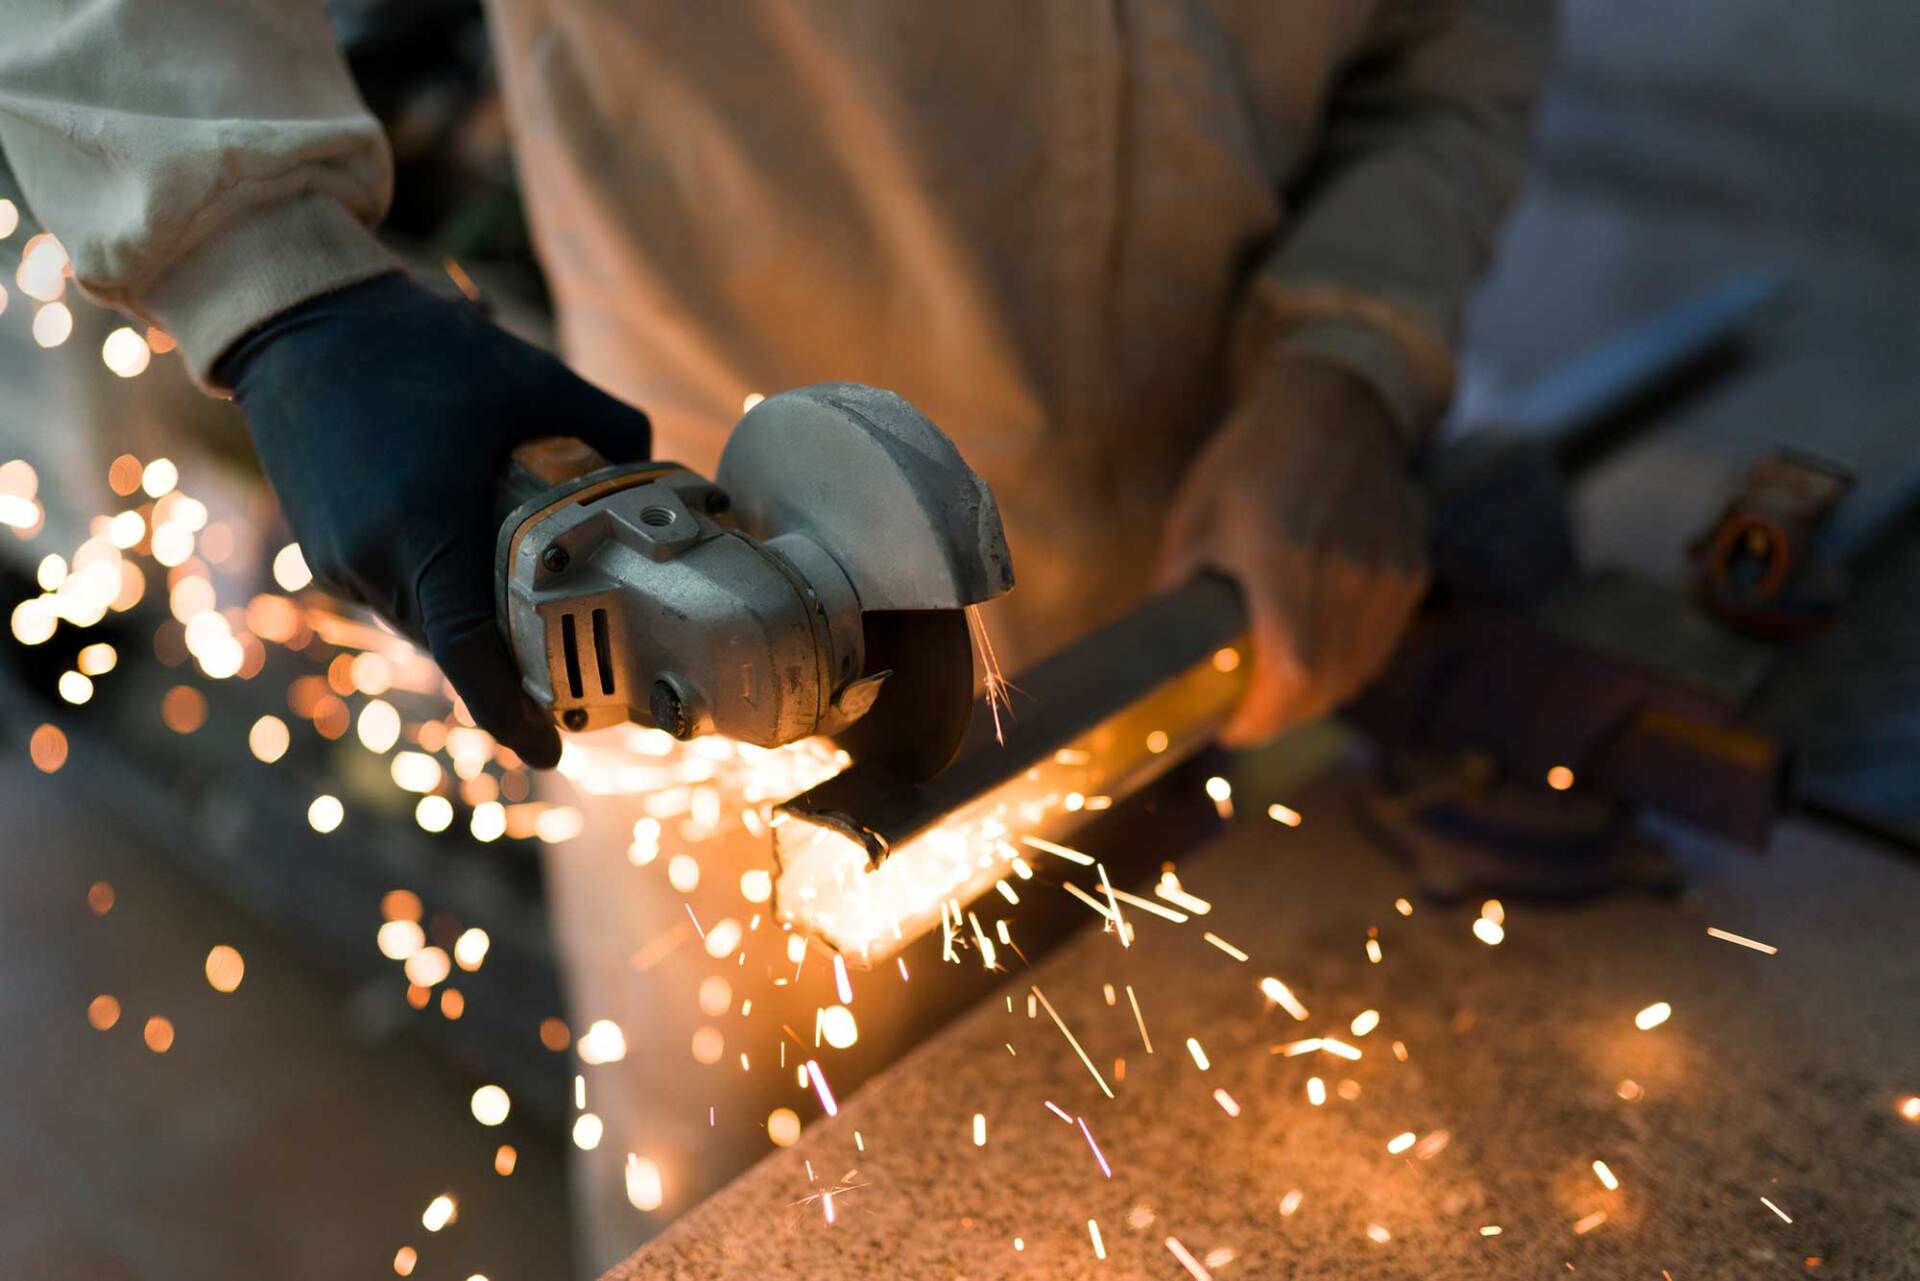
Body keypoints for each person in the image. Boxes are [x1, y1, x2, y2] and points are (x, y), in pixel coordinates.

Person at [1, 1, 1544, 1270]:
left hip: (1225, 615)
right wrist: (271, 276)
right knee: (748, 1226)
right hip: (747, 734)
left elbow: (1462, 49)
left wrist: (1349, 349)